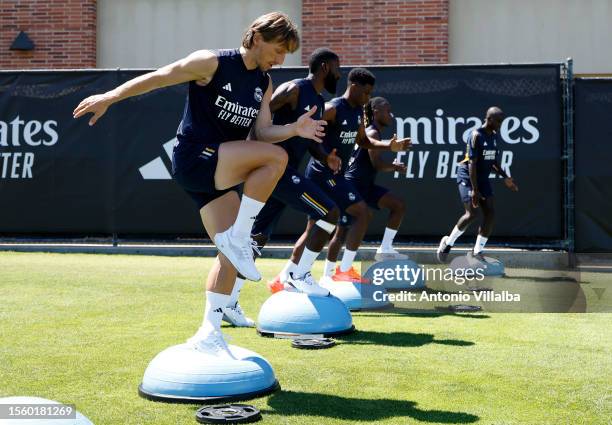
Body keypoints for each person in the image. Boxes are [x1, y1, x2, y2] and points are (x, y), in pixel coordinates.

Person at [73, 12, 326, 358]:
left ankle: (209, 332)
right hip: (195, 158)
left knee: (230, 257)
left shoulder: (264, 83)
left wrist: (295, 130)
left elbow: (263, 132)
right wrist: (109, 97)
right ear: (256, 37)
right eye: (279, 49)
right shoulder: (211, 62)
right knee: (276, 160)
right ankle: (240, 236)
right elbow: (161, 77)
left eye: (286, 54)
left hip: (218, 172)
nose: (281, 59)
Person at [224, 48, 342, 325]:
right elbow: (259, 117)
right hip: (274, 170)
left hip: (281, 174)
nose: (339, 73)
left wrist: (327, 156)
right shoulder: (294, 89)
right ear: (324, 67)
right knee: (330, 214)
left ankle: (229, 303)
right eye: (337, 67)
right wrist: (252, 154)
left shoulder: (320, 102)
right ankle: (298, 275)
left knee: (256, 239)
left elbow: (310, 141)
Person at [299, 68, 410, 284]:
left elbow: (364, 142)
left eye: (370, 94)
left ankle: (294, 275)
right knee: (354, 217)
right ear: (353, 87)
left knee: (322, 226)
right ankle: (336, 272)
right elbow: (310, 135)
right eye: (366, 93)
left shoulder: (358, 113)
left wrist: (390, 145)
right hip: (324, 175)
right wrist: (325, 157)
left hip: (339, 177)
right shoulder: (332, 108)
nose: (367, 98)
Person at [437, 106, 518, 262]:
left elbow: (493, 161)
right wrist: (475, 190)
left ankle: (477, 252)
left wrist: (505, 177)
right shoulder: (476, 135)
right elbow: (472, 164)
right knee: (472, 214)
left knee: (490, 213)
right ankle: (447, 243)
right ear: (489, 119)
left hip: (482, 178)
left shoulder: (494, 136)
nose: (501, 124)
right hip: (467, 176)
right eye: (499, 121)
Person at [341, 96, 409, 261]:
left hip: (366, 185)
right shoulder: (372, 132)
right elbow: (377, 164)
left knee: (398, 205)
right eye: (388, 110)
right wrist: (395, 167)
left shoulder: (372, 131)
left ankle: (385, 249)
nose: (391, 115)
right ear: (376, 111)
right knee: (339, 232)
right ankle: (331, 272)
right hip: (354, 185)